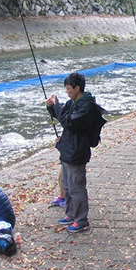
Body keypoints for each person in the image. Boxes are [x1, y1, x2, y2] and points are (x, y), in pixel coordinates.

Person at [46, 72, 100, 233]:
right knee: (68, 186)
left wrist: (56, 106)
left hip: (77, 152)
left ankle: (81, 220)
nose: (67, 92)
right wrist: (51, 106)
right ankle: (71, 214)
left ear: (77, 88)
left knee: (77, 187)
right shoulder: (73, 102)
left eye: (69, 89)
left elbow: (69, 122)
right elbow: (60, 115)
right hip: (67, 149)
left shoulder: (87, 106)